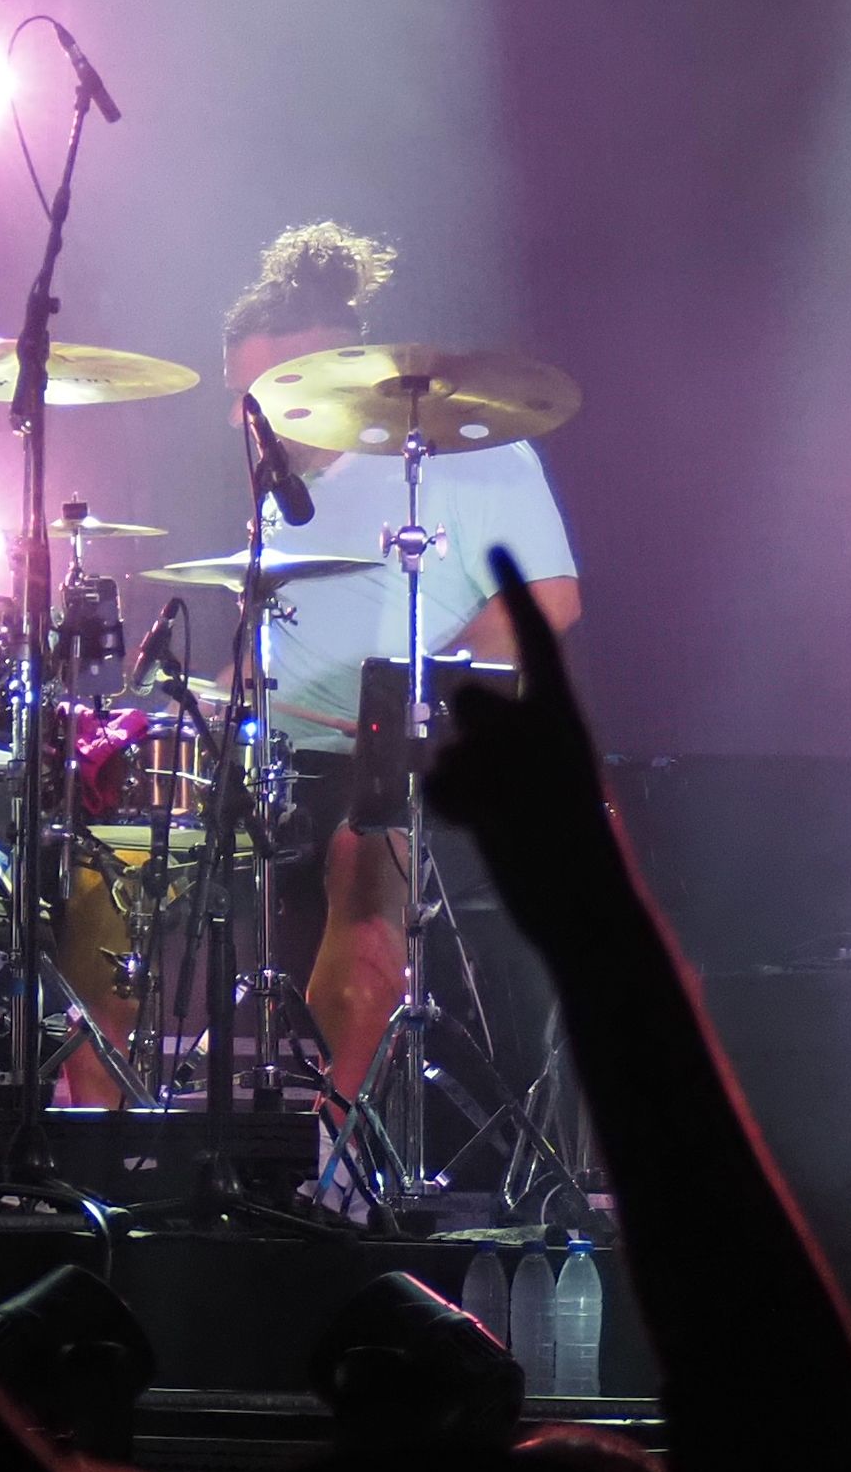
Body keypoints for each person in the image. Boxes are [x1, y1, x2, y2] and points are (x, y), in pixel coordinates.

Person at [216, 221, 580, 1123]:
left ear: (327, 376)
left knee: (360, 853)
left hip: (402, 762)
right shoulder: (282, 495)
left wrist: (408, 691)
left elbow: (548, 604)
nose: (242, 421)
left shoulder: (468, 456)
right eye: (238, 399)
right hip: (276, 760)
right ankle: (116, 1137)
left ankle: (341, 1158)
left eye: (260, 397)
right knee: (116, 865)